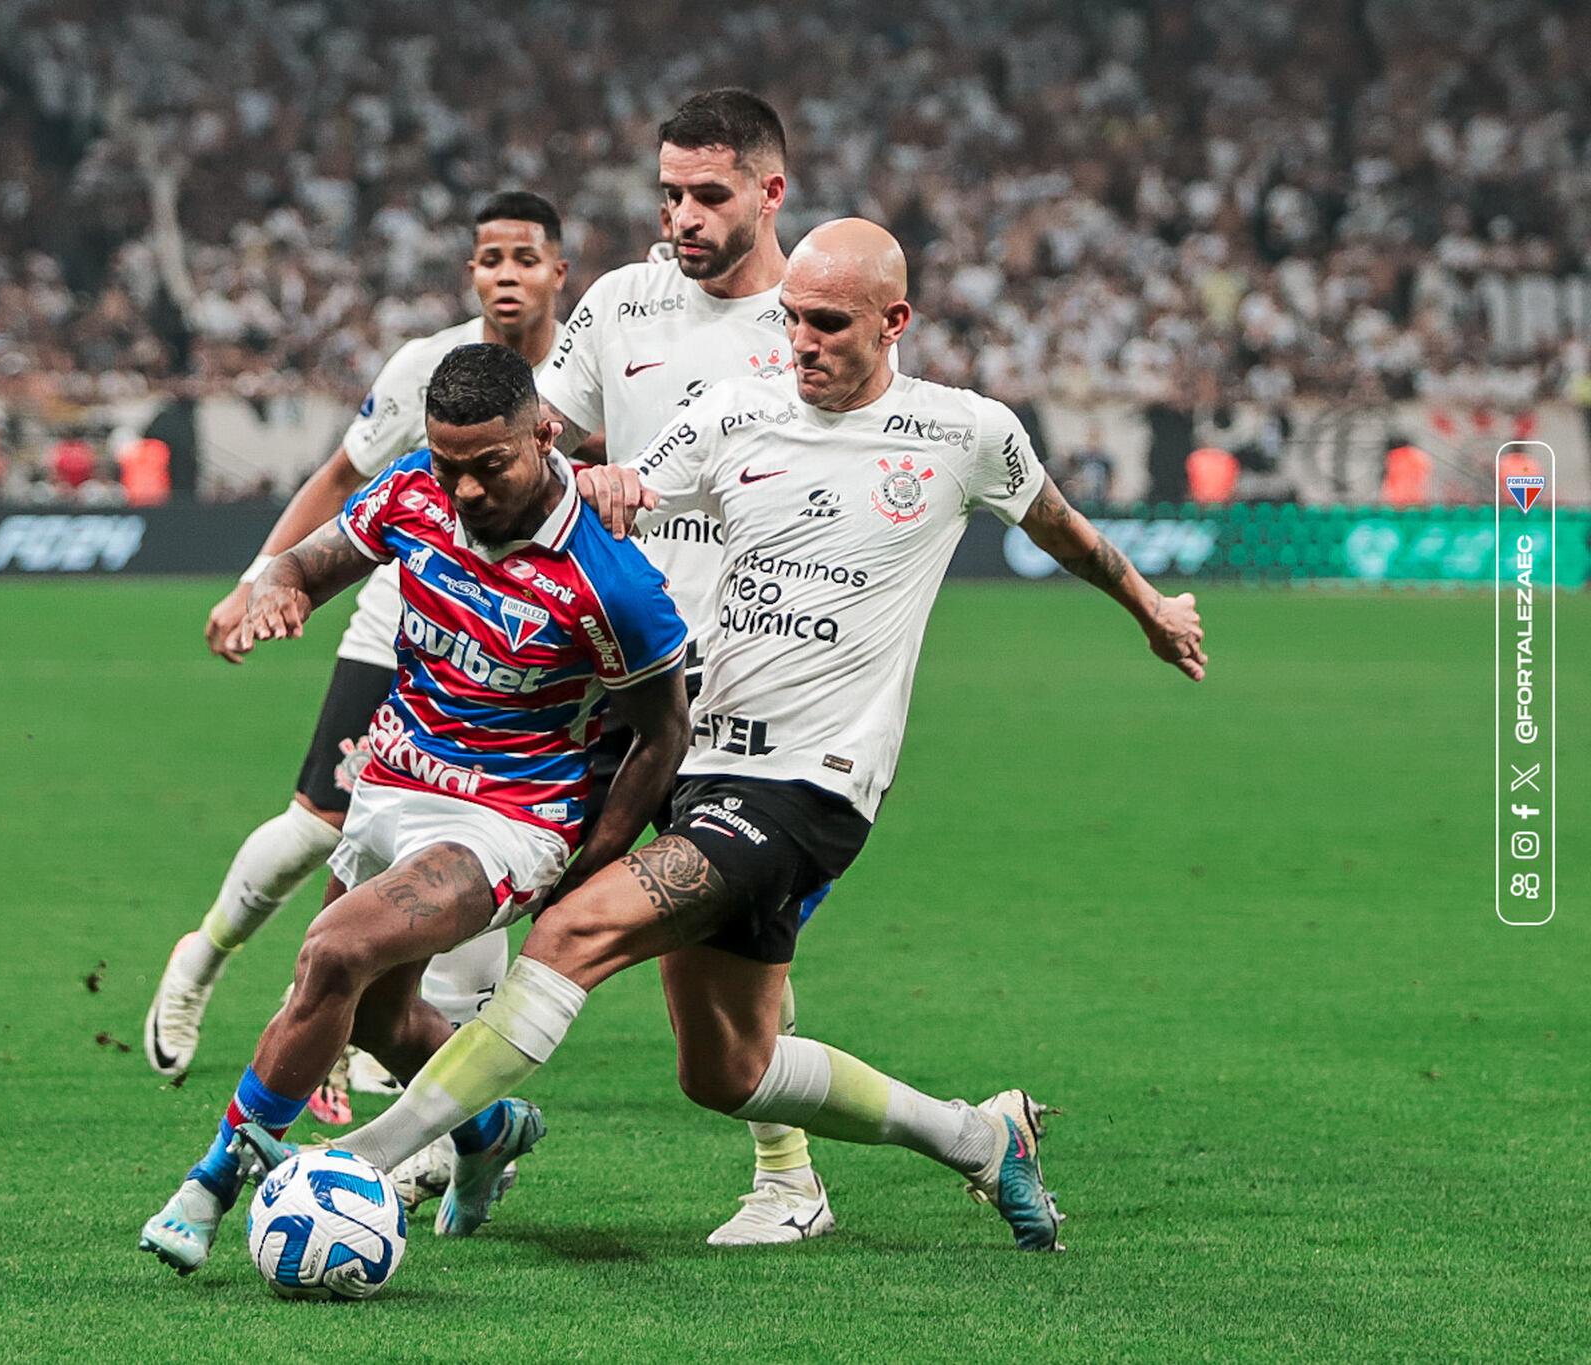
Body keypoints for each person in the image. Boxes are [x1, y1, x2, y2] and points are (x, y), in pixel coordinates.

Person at [306, 218, 1209, 1254]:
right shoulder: (736, 413)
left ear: (895, 321)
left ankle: (362, 1158)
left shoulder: (963, 432)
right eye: (792, 320)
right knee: (725, 1069)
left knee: (569, 935)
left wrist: (1149, 607)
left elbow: (1060, 527)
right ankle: (979, 1137)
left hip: (812, 783)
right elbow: (630, 485)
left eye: (829, 324)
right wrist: (602, 484)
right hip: (704, 762)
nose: (803, 342)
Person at [139, 342, 691, 1273]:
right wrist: (280, 592)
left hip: (506, 819)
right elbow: (307, 564)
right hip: (392, 780)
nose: (465, 489)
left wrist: (589, 863)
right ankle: (489, 1129)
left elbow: (663, 733)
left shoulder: (612, 584)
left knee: (333, 952)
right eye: (448, 464)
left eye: (490, 465)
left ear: (545, 434)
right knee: (373, 1018)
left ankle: (211, 1184)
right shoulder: (411, 494)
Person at [143, 193, 572, 1112]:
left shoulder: (591, 367)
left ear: (557, 273)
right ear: (471, 272)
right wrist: (259, 579)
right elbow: (342, 476)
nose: (506, 275)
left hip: (526, 645)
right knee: (319, 828)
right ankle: (204, 957)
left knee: (473, 838)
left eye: (525, 257)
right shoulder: (425, 366)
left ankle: (390, 1034)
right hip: (403, 632)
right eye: (490, 258)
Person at [535, 86, 858, 1246]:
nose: (680, 215)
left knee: (720, 977)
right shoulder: (621, 303)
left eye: (707, 194)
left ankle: (790, 1179)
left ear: (770, 193)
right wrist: (567, 479)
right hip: (615, 673)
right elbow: (536, 437)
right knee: (513, 872)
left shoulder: (818, 329)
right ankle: (455, 1132)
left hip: (750, 691)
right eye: (668, 192)